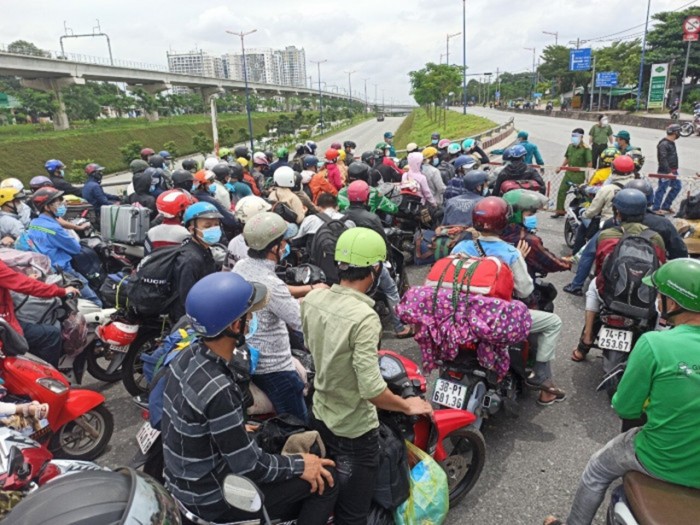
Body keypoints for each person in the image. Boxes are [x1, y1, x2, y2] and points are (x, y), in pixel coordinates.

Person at [163, 272, 337, 524]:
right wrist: (301, 465)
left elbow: (191, 417)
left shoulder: (187, 356)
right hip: (212, 497)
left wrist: (233, 426)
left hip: (183, 482)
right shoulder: (220, 389)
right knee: (326, 478)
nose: (252, 319)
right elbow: (250, 466)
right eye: (249, 315)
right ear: (235, 326)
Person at [545, 258, 700, 525]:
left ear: (672, 304)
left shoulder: (655, 344)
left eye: (660, 295)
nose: (657, 300)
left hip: (660, 458)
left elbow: (626, 407)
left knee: (596, 469)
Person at [302, 227, 433, 524]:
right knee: (353, 513)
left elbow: (313, 347)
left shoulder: (312, 301)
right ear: (375, 269)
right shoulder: (364, 317)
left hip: (320, 413)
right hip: (354, 429)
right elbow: (372, 390)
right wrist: (407, 405)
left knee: (330, 489)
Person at [451, 197, 567, 405]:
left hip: (462, 313)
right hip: (496, 318)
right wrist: (518, 259)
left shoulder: (461, 246)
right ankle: (541, 375)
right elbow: (525, 291)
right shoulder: (511, 252)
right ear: (504, 221)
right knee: (553, 322)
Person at [571, 189, 666, 362]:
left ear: (618, 212)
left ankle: (585, 342)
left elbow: (600, 266)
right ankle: (657, 350)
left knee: (592, 289)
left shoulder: (606, 235)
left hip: (609, 293)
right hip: (644, 295)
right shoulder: (656, 238)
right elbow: (660, 269)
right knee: (660, 311)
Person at [233, 212, 311, 421]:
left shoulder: (242, 266)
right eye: (284, 241)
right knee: (298, 422)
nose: (287, 246)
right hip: (274, 368)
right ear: (273, 248)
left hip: (248, 355)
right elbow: (301, 322)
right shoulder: (271, 284)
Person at [564, 179, 686, 296]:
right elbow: (680, 253)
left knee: (588, 252)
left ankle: (576, 285)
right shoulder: (663, 224)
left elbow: (595, 252)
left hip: (613, 279)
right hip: (649, 284)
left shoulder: (612, 223)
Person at [342, 181, 413, 339]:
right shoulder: (371, 217)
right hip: (370, 262)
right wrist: (386, 258)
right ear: (366, 197)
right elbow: (383, 242)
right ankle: (400, 327)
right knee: (391, 289)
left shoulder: (343, 216)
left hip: (349, 263)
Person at [27, 188, 102, 307]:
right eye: (58, 203)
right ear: (47, 207)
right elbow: (75, 248)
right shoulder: (54, 228)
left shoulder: (34, 223)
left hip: (46, 271)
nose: (62, 205)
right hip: (64, 273)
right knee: (95, 302)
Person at [0, 258, 80, 367]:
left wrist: (26, 279)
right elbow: (21, 283)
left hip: (6, 317)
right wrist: (61, 291)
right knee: (51, 335)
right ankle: (49, 379)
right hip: (4, 326)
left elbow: (12, 277)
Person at [169, 202, 223, 321]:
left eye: (216, 225)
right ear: (192, 229)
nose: (213, 229)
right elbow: (186, 299)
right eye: (207, 226)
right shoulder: (190, 259)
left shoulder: (204, 249)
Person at [502, 189, 571, 276]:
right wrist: (569, 264)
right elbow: (549, 262)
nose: (533, 217)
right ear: (516, 214)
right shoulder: (528, 240)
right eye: (530, 214)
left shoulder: (496, 231)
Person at [552, 128, 593, 217]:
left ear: (581, 137)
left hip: (579, 175)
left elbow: (589, 163)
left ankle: (581, 212)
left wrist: (588, 176)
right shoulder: (570, 146)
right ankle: (560, 211)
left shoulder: (586, 149)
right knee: (561, 191)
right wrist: (561, 167)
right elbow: (567, 158)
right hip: (568, 173)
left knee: (580, 194)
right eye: (572, 136)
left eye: (575, 136)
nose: (573, 138)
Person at [144, 189, 194, 254]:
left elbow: (147, 256)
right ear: (179, 212)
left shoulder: (151, 233)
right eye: (185, 208)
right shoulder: (186, 234)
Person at [652, 124, 682, 214]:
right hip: (665, 172)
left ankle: (666, 206)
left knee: (677, 187)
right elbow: (662, 159)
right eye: (678, 132)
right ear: (675, 133)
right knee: (662, 189)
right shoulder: (664, 144)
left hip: (673, 171)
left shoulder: (671, 143)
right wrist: (668, 172)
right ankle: (656, 208)